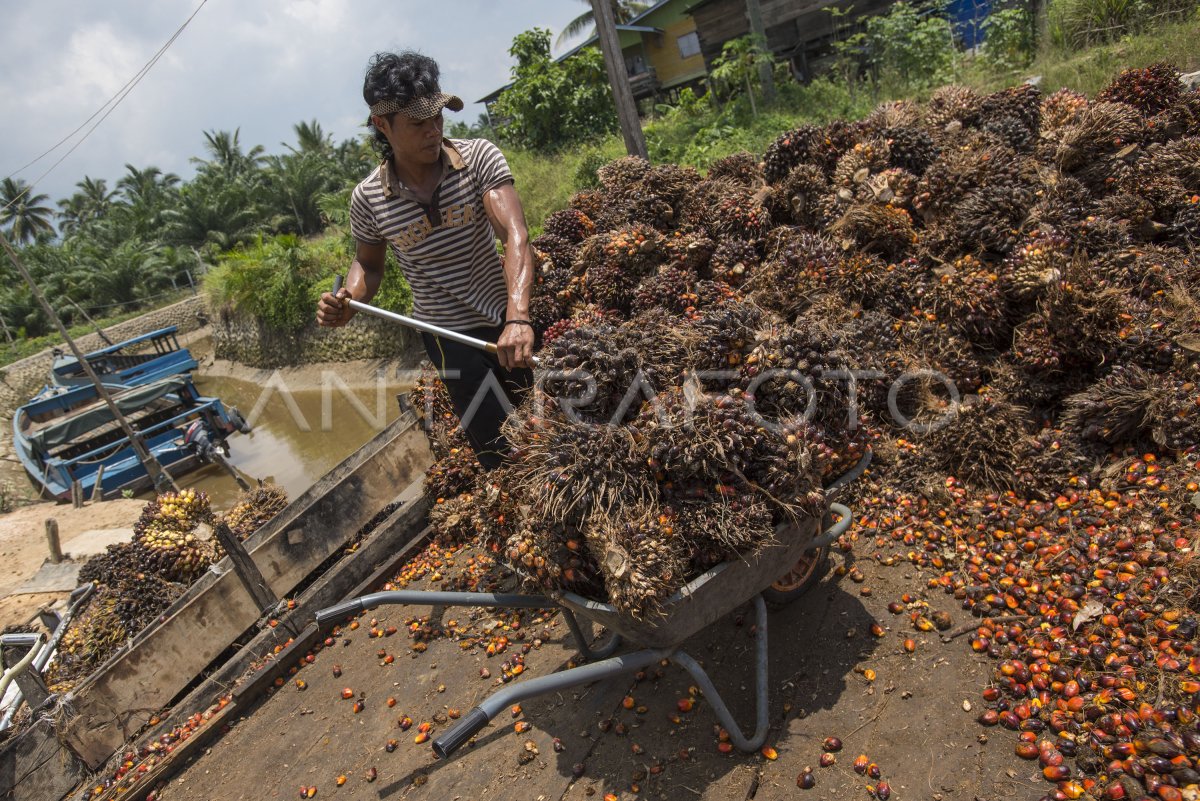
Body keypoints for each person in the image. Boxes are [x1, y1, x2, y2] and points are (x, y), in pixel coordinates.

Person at [317, 51, 535, 469]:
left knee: (546, 425)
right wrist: (349, 298)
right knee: (497, 450)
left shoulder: (479, 159)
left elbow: (514, 234)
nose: (433, 130)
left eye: (437, 116)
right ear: (382, 125)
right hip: (448, 337)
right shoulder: (368, 199)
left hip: (507, 317)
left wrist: (519, 316)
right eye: (418, 123)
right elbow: (369, 264)